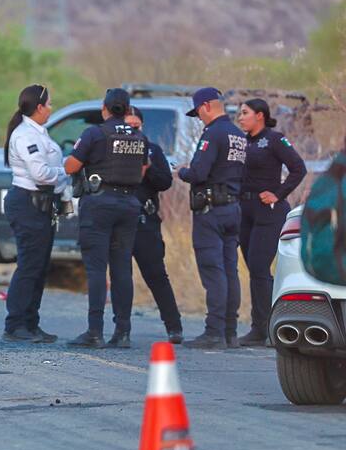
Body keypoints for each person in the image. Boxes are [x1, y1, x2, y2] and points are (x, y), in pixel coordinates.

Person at [64, 88, 148, 348]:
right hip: (129, 204)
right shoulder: (138, 136)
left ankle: (95, 332)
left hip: (99, 204)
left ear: (105, 108)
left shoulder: (95, 133)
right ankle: (122, 332)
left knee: (97, 269)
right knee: (122, 268)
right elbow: (143, 170)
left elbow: (71, 167)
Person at [177, 87, 247, 349]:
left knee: (213, 271)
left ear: (206, 106)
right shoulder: (238, 134)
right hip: (232, 208)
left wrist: (182, 172)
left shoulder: (214, 133)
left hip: (211, 212)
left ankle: (214, 332)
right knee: (230, 270)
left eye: (198, 114)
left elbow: (199, 172)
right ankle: (230, 332)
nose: (199, 119)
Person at [236, 98, 307, 346]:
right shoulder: (241, 140)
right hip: (243, 210)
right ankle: (258, 327)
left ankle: (267, 328)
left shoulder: (274, 140)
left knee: (259, 266)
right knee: (254, 270)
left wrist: (278, 193)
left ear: (260, 115)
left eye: (245, 113)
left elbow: (299, 168)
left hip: (269, 211)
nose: (240, 117)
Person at [2, 84, 66, 342]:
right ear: (39, 107)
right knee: (29, 266)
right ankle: (15, 324)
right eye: (49, 104)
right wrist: (67, 172)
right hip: (28, 203)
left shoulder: (39, 132)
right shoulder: (26, 135)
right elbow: (41, 173)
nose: (51, 108)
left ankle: (30, 322)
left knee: (39, 266)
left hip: (42, 204)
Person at [125, 105, 184, 344]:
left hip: (145, 221)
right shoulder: (113, 149)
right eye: (127, 128)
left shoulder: (152, 150)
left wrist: (148, 167)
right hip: (120, 221)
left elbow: (165, 182)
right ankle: (121, 329)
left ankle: (174, 326)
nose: (132, 132)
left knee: (156, 275)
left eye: (136, 127)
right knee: (121, 276)